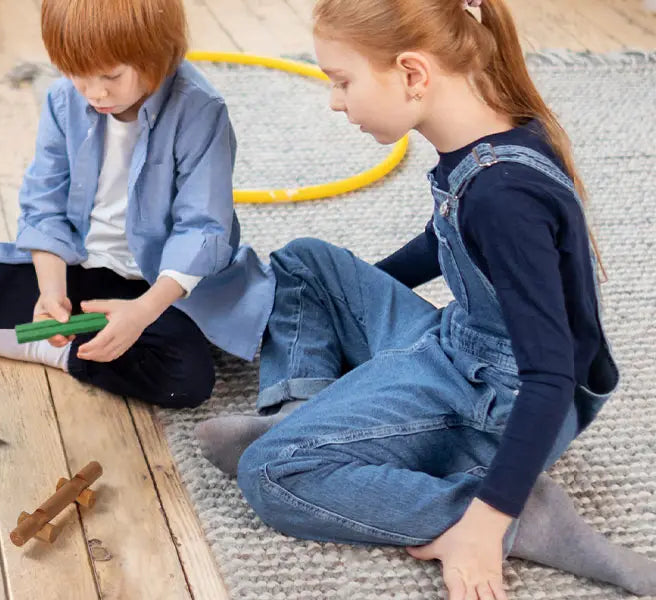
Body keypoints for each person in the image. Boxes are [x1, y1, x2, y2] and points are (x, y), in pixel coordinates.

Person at [193, 0, 652, 597]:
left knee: (272, 474)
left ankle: (511, 512)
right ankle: (299, 411)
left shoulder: (503, 198)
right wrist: (345, 303)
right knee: (307, 261)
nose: (335, 100)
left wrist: (488, 522)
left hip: (500, 399)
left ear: (413, 74)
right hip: (461, 343)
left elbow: (550, 376)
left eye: (343, 81)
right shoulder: (488, 140)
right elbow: (447, 240)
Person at [0, 0, 273, 409]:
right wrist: (51, 292)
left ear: (156, 52)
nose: (95, 92)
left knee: (186, 378)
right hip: (77, 265)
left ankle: (62, 350)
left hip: (156, 285)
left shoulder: (200, 110)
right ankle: (64, 338)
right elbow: (43, 202)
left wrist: (141, 313)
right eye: (79, 74)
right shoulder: (65, 99)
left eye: (111, 76)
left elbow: (203, 228)